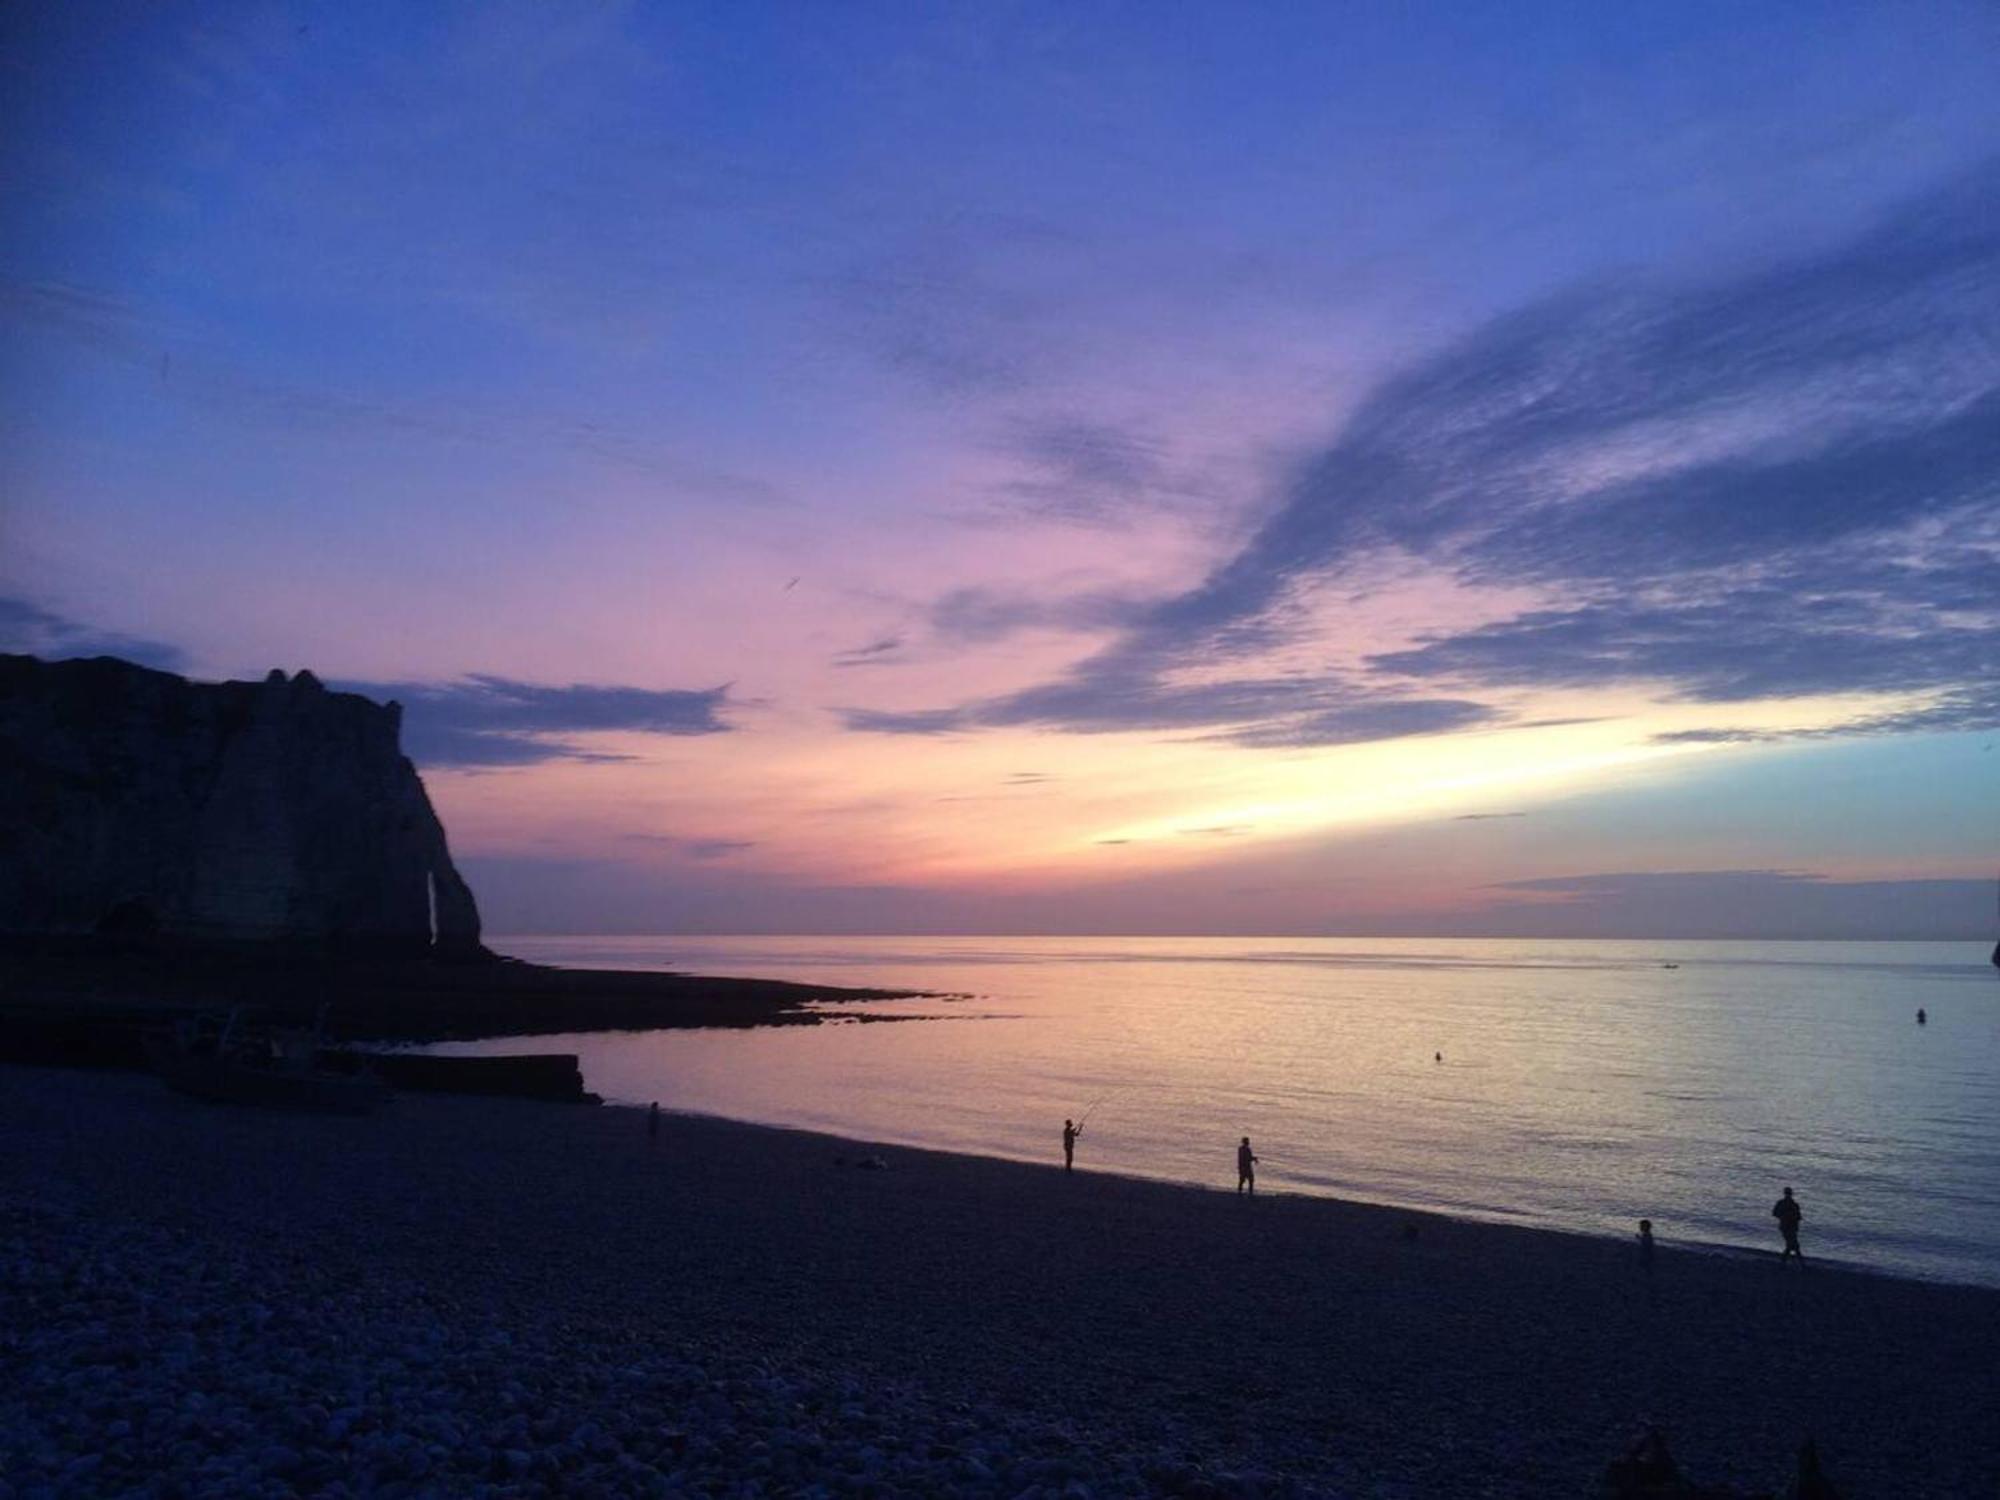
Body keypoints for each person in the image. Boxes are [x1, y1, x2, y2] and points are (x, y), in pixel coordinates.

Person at [1773, 1186, 1806, 1265]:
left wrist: (1784, 1217)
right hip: (1787, 1227)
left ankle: (1784, 1261)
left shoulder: (1790, 1204)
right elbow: (1775, 1213)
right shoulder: (1791, 1204)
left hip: (1789, 1227)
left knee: (1792, 1245)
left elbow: (1798, 1217)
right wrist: (1785, 1217)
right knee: (1794, 1245)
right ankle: (1800, 1263)